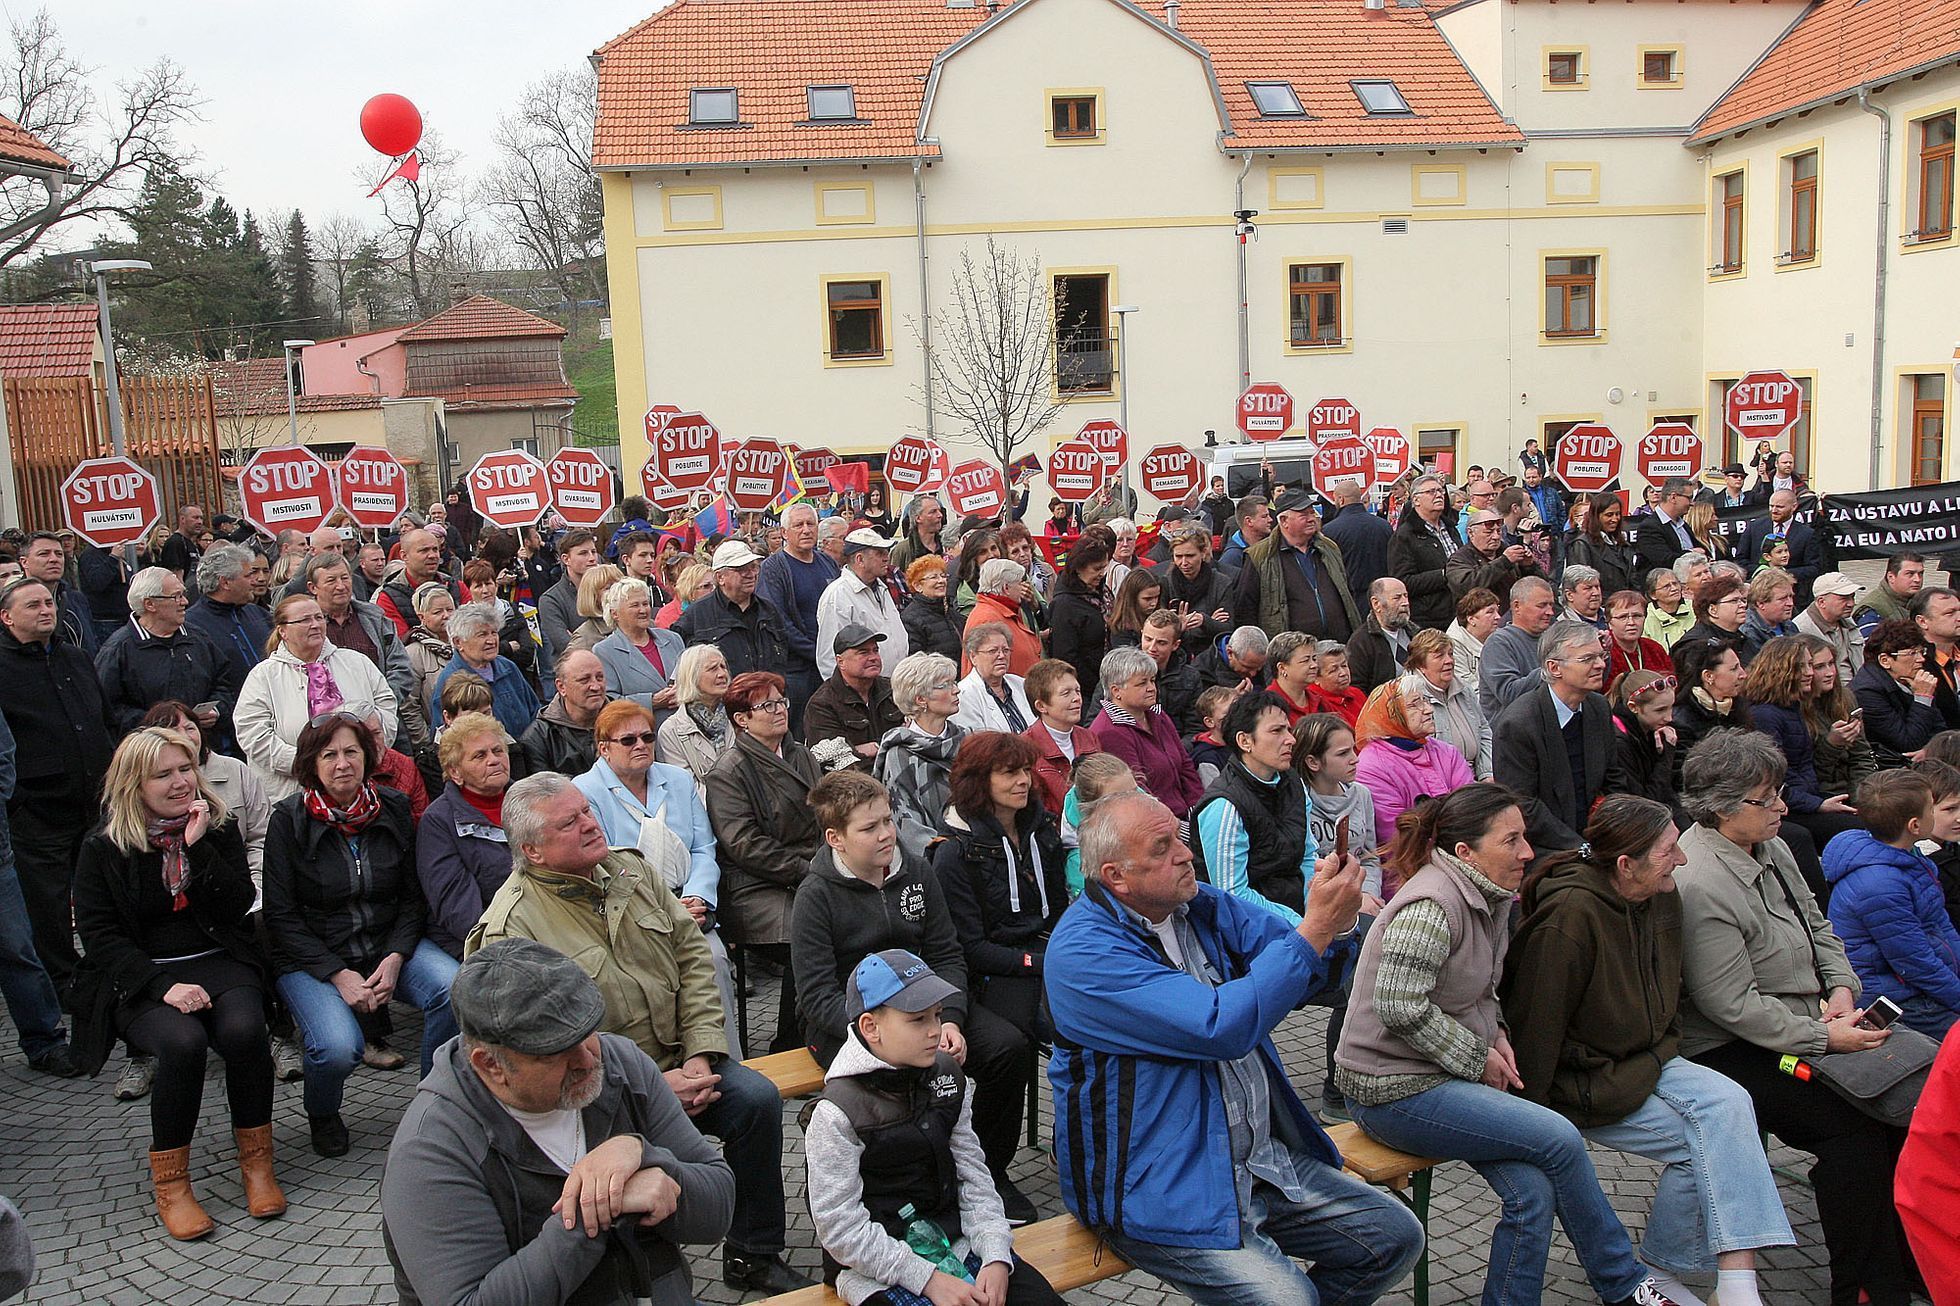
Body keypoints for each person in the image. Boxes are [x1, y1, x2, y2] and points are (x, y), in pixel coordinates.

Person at [1047, 789, 1421, 1305]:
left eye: (1179, 835)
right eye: (1162, 848)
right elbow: (1220, 1027)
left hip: (1252, 1158)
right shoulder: (1084, 953)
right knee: (1289, 1301)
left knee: (1393, 1237)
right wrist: (1313, 929)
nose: (1186, 853)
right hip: (1156, 1187)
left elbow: (1318, 972)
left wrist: (1338, 920)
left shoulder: (1195, 905)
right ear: (1116, 877)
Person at [1339, 783, 1679, 1306]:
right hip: (1390, 1092)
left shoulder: (1486, 896)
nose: (1527, 851)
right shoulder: (1432, 906)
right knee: (1559, 1137)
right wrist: (1479, 1058)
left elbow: (1480, 990)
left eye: (1525, 837)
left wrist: (1496, 1034)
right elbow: (1399, 1005)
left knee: (1534, 1191)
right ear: (1465, 852)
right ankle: (1625, 1284)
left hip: (1439, 1078)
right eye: (1512, 840)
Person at [465, 775, 806, 1294]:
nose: (589, 823)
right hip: (592, 1091)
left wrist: (700, 1053)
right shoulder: (513, 929)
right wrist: (647, 1082)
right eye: (570, 821)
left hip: (681, 1062)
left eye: (586, 811)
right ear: (532, 849)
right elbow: (541, 1051)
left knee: (755, 1099)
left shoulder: (631, 869)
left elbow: (692, 957)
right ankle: (629, 1271)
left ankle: (753, 1253)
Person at [1501, 795, 1795, 1306]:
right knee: (1707, 1142)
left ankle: (1729, 1281)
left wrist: (1663, 1044)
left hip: (1648, 1059)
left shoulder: (1660, 894)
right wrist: (1533, 1127)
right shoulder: (1568, 919)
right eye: (1667, 850)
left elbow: (1668, 991)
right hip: (1583, 1081)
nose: (1681, 859)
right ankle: (1677, 1273)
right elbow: (1535, 1029)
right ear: (1625, 864)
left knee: (1731, 1104)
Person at [1673, 729, 1914, 1306]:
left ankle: (1904, 1259)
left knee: (1909, 1109)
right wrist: (1822, 1038)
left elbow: (1818, 926)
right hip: (1732, 1047)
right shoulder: (1701, 882)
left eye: (1780, 791)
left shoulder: (1772, 844)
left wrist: (1841, 987)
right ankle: (1865, 1287)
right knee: (1851, 1133)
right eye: (1767, 797)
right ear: (1723, 806)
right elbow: (1729, 1005)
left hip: (1806, 1020)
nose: (1783, 805)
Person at [381, 938, 734, 1306]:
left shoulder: (621, 1065)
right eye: (556, 1051)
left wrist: (641, 1154)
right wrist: (598, 1206)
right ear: (490, 1064)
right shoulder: (431, 1150)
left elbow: (719, 1207)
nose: (587, 1060)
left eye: (587, 1033)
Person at [792, 771, 1038, 1221]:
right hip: (854, 1028)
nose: (887, 834)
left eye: (887, 820)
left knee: (1007, 1049)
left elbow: (947, 952)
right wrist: (881, 1032)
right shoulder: (815, 895)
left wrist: (948, 1019)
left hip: (927, 1007)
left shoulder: (916, 870)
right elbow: (816, 995)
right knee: (905, 1083)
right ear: (836, 839)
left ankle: (988, 1172)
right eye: (870, 828)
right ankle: (906, 1190)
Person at [70, 726, 283, 1239]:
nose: (180, 782)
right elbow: (100, 938)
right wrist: (162, 987)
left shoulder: (215, 825)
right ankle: (174, 1185)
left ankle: (257, 1165)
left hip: (218, 956)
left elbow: (237, 908)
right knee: (183, 1044)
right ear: (133, 784)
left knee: (244, 1032)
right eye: (163, 775)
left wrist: (198, 849)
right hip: (144, 975)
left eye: (185, 768)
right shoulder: (103, 847)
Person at [805, 948, 1063, 1306]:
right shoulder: (836, 1113)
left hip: (960, 1243)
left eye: (938, 1015)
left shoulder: (948, 1077)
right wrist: (927, 1279)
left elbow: (974, 1176)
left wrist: (996, 1255)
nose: (935, 1031)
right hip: (877, 1270)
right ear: (870, 1027)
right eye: (918, 1020)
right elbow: (841, 1230)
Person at [262, 711, 457, 1158]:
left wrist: (394, 957)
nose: (342, 763)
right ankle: (323, 1111)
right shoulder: (288, 821)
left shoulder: (391, 807)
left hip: (385, 944)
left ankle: (435, 1102)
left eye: (351, 751)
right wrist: (337, 975)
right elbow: (281, 916)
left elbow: (413, 897)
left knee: (452, 987)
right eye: (329, 755)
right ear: (312, 763)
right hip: (314, 958)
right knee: (336, 1049)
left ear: (368, 757)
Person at [930, 733, 1060, 1174]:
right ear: (978, 781)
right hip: (994, 969)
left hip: (1044, 953)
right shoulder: (955, 853)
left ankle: (1083, 1137)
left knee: (1106, 1019)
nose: (1025, 781)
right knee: (1015, 1047)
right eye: (1010, 773)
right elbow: (969, 947)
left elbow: (1057, 909)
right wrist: (1038, 963)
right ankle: (990, 1169)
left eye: (1026, 770)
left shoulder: (1040, 829)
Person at [0, 576, 117, 995]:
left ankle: (108, 967)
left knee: (100, 893)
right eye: (33, 606)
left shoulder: (75, 656)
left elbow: (103, 718)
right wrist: (17, 799)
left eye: (48, 603)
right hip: (37, 808)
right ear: (6, 616)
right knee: (48, 905)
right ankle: (65, 982)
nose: (45, 610)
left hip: (94, 800)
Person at [704, 671, 823, 1053]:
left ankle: (824, 1035)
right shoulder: (730, 770)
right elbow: (743, 844)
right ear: (742, 719)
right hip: (755, 886)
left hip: (810, 870)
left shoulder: (800, 754)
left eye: (781, 701)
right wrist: (806, 871)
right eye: (766, 705)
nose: (779, 711)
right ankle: (790, 1046)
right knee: (807, 941)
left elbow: (826, 814)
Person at [1822, 769, 1960, 1038]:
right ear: (1914, 826)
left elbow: (1939, 925)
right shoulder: (1880, 886)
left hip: (1919, 980)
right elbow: (1914, 962)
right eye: (1932, 808)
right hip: (1896, 995)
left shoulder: (1908, 854)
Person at [235, 593, 399, 803]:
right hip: (293, 792)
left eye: (319, 617)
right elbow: (252, 733)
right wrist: (308, 763)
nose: (315, 625)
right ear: (283, 631)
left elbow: (386, 708)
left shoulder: (357, 662)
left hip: (359, 785)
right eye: (304, 620)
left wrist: (362, 755)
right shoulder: (263, 676)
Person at [1491, 620, 1628, 856]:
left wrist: (1616, 830)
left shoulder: (1598, 707)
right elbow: (1523, 805)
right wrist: (1579, 848)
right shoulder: (1518, 724)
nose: (1600, 665)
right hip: (1545, 849)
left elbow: (1613, 778)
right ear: (1554, 668)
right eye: (1587, 659)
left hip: (1597, 836)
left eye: (1601, 656)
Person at [414, 712, 519, 958]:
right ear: (455, 772)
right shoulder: (438, 822)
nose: (494, 760)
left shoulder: (530, 800)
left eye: (498, 750)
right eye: (479, 756)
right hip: (483, 943)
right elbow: (460, 912)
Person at [1352, 674, 1476, 882]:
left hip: (1465, 860)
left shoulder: (1447, 752)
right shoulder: (1372, 766)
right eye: (1415, 705)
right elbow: (1399, 838)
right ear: (1391, 715)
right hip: (1407, 877)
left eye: (1426, 700)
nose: (1428, 709)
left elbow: (1471, 812)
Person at [94, 567, 240, 741]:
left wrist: (217, 710)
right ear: (149, 604)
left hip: (202, 748)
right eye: (176, 596)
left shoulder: (198, 638)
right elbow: (106, 709)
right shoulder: (118, 650)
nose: (185, 601)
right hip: (150, 753)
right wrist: (159, 723)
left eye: (183, 594)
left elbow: (225, 683)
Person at [303, 550, 425, 747]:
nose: (341, 586)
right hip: (327, 733)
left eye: (345, 578)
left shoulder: (375, 619)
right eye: (331, 580)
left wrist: (377, 707)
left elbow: (401, 668)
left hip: (383, 725)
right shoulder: (304, 627)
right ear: (313, 587)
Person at [1091, 646, 1205, 821]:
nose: (1152, 688)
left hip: (1186, 815)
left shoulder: (1157, 715)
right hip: (1155, 824)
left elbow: (1185, 765)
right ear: (1116, 691)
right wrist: (1180, 828)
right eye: (1142, 683)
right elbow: (1137, 790)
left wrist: (1200, 812)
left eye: (1152, 680)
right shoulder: (1109, 731)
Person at [873, 652, 967, 863]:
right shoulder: (900, 754)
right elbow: (906, 823)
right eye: (945, 685)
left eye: (954, 682)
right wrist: (949, 854)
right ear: (920, 699)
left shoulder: (968, 742)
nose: (957, 689)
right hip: (937, 862)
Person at [1235, 486, 1361, 642]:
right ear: (1284, 520)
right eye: (1303, 514)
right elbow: (1245, 611)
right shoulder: (1260, 557)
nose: (1312, 518)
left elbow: (1347, 591)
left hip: (1337, 648)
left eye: (1312, 512)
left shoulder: (1329, 548)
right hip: (1293, 655)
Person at [757, 503, 840, 715]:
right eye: (798, 525)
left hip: (832, 664)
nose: (806, 530)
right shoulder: (773, 569)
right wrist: (816, 653)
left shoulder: (828, 563)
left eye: (810, 524)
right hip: (797, 671)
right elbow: (779, 621)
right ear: (784, 532)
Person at [675, 539, 795, 685]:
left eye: (753, 567)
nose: (750, 574)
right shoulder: (696, 616)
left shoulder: (769, 611)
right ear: (720, 577)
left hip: (767, 703)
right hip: (723, 705)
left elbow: (784, 661)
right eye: (741, 569)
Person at [429, 600, 542, 740]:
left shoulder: (508, 667)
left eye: (493, 632)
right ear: (458, 642)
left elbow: (535, 711)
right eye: (482, 635)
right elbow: (445, 740)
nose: (491, 640)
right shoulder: (449, 683)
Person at [816, 529, 908, 683]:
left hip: (891, 687)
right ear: (860, 559)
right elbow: (829, 656)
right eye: (879, 553)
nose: (887, 558)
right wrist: (845, 698)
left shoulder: (881, 587)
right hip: (862, 692)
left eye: (886, 552)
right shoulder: (838, 595)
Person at [589, 578, 683, 729]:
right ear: (615, 614)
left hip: (684, 733)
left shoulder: (672, 639)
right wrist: (652, 701)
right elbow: (608, 702)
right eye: (634, 605)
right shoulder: (604, 651)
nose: (643, 610)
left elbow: (692, 679)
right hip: (641, 736)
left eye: (645, 604)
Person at [804, 624, 904, 765]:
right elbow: (831, 761)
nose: (873, 657)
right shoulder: (822, 705)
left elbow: (915, 735)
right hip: (853, 782)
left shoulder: (893, 689)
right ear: (841, 662)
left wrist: (873, 747)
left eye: (875, 651)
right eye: (863, 652)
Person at [1855, 618, 1948, 766]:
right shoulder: (1867, 692)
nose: (1921, 659)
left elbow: (1940, 728)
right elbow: (1907, 743)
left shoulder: (1914, 678)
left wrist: (1931, 750)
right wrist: (1922, 698)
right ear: (1885, 660)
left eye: (1921, 651)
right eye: (1912, 653)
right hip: (1890, 768)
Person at [1407, 627, 1492, 780]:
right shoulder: (1409, 698)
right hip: (1442, 783)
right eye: (1439, 656)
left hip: (1476, 777)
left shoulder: (1465, 690)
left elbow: (1484, 731)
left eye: (1450, 654)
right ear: (1421, 665)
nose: (1449, 661)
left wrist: (1487, 773)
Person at [184, 544, 274, 686]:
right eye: (249, 575)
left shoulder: (259, 614)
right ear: (225, 582)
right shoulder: (191, 626)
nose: (255, 580)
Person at [1021, 658, 1101, 815]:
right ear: (1041, 706)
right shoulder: (1025, 747)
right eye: (1066, 693)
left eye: (1077, 691)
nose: (1077, 698)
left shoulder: (1089, 737)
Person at [516, 648, 608, 779]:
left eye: (600, 678)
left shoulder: (626, 719)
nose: (596, 686)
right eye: (584, 680)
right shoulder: (538, 738)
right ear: (561, 687)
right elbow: (546, 792)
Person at [1478, 576, 1559, 719]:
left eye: (1551, 605)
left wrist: (1598, 655)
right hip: (1513, 734)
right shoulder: (1499, 643)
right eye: (1542, 605)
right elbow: (1509, 694)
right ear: (1516, 606)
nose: (1550, 612)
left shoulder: (1552, 637)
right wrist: (1554, 668)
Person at [657, 645, 734, 793]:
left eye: (723, 667)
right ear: (692, 676)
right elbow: (685, 787)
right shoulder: (671, 730)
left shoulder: (740, 716)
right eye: (713, 669)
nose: (722, 674)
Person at [1047, 536, 1113, 709]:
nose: (1102, 574)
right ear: (1078, 569)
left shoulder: (1100, 591)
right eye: (1096, 569)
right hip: (1086, 692)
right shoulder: (1065, 605)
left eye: (1104, 568)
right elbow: (1066, 656)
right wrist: (1097, 684)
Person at [1611, 670, 1683, 821]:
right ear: (1633, 707)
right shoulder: (1620, 743)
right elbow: (1645, 803)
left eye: (1671, 707)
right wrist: (1666, 757)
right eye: (1660, 710)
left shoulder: (1647, 729)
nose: (1669, 717)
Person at [1161, 522, 1236, 656]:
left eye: (1190, 556)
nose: (1184, 563)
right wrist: (1210, 622)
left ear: (1202, 554)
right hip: (1175, 654)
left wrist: (1204, 620)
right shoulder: (1166, 582)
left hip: (1211, 655)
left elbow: (1228, 628)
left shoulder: (1221, 583)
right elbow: (1159, 627)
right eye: (1178, 556)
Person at [374, 527, 461, 640]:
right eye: (424, 551)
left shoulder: (456, 586)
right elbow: (400, 643)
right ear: (404, 556)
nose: (432, 555)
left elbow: (471, 631)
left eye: (435, 549)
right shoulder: (388, 598)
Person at [1742, 489, 1824, 601]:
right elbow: (1741, 560)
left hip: (1794, 597)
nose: (1774, 510)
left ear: (1794, 507)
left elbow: (1814, 568)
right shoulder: (1754, 527)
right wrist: (1763, 571)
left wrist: (1784, 574)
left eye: (1779, 507)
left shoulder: (1807, 534)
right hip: (1758, 595)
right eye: (1771, 506)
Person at [952, 622, 1033, 735]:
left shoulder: (1020, 684)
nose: (1001, 656)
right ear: (973, 656)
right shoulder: (963, 695)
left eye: (1005, 650)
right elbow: (977, 745)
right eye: (993, 651)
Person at [1321, 480, 1393, 598]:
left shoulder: (1330, 530)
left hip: (1351, 596)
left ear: (1341, 499)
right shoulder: (1384, 525)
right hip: (1383, 593)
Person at [536, 527, 599, 661]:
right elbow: (566, 646)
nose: (592, 558)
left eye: (593, 551)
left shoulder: (608, 590)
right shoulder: (551, 600)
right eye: (583, 553)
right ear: (566, 559)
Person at [1345, 576, 1413, 694]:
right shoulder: (1360, 643)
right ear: (1376, 604)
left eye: (1405, 596)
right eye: (1397, 598)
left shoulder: (1415, 633)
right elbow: (1357, 690)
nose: (1405, 603)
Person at [1797, 571, 1867, 684]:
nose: (1852, 603)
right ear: (1821, 602)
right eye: (1844, 598)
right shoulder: (1801, 630)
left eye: (1852, 597)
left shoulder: (1848, 621)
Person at [404, 581, 457, 724]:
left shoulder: (466, 643)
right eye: (437, 612)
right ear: (422, 617)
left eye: (450, 609)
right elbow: (409, 706)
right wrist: (426, 742)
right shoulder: (413, 653)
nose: (446, 615)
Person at [899, 556, 962, 662]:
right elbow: (916, 660)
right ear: (917, 586)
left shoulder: (950, 612)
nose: (941, 581)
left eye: (943, 576)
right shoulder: (911, 618)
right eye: (934, 577)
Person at [1634, 477, 1699, 577]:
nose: (1692, 503)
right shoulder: (1649, 527)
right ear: (1673, 497)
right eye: (1689, 498)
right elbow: (1663, 560)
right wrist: (1692, 554)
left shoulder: (1684, 525)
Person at [1448, 586, 1501, 698]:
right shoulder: (1453, 646)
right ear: (1471, 619)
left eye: (1497, 611)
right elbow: (1469, 689)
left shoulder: (1500, 637)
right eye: (1490, 612)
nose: (1498, 617)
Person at [1737, 567, 1800, 662]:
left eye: (1791, 596)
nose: (1790, 603)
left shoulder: (1789, 625)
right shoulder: (1748, 633)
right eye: (1782, 599)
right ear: (1761, 603)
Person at [563, 561, 627, 654]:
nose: (617, 591)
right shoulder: (585, 637)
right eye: (608, 588)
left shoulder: (639, 624)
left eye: (619, 586)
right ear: (593, 596)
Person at [1680, 572, 1750, 656]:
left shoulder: (1742, 639)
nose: (1743, 605)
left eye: (1743, 600)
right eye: (1734, 601)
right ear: (1713, 610)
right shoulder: (1697, 646)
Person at [1856, 552, 1926, 633]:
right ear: (1891, 577)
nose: (1917, 579)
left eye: (1921, 573)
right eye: (1910, 574)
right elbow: (1870, 644)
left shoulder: (1923, 602)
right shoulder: (1872, 610)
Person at [1192, 623, 1270, 693]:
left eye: (1259, 667)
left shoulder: (1270, 661)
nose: (1253, 674)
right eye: (1247, 667)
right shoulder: (1202, 671)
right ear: (1230, 653)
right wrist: (1231, 700)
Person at [1262, 629, 1319, 724]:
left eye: (1314, 659)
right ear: (1282, 668)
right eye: (1305, 660)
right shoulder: (1267, 706)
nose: (1314, 665)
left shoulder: (1320, 701)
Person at [890, 497, 946, 575]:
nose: (940, 515)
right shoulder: (902, 549)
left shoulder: (946, 545)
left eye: (940, 511)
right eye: (933, 512)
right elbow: (893, 580)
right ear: (918, 518)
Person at [1643, 567, 1694, 651]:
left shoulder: (1695, 607)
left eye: (1675, 583)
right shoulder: (1646, 617)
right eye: (1666, 586)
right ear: (1653, 595)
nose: (1674, 588)